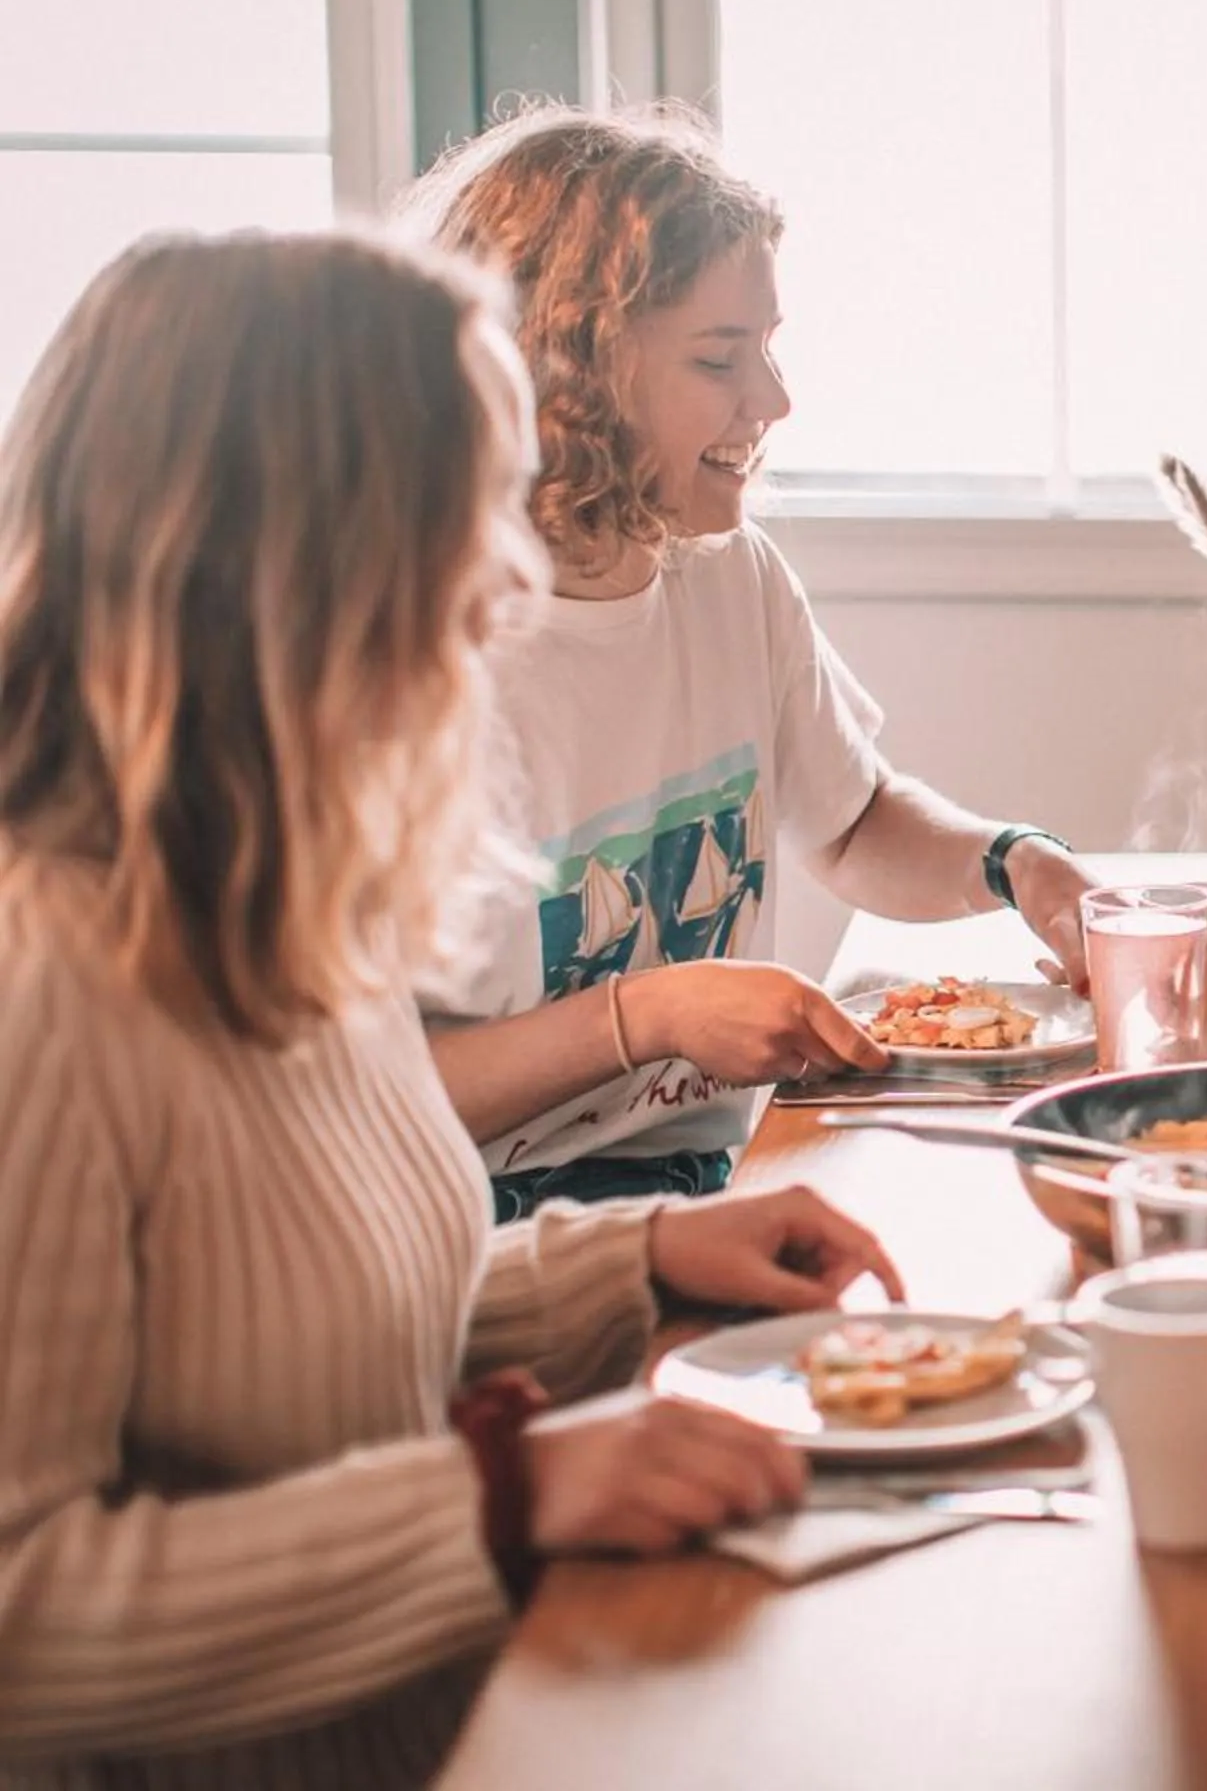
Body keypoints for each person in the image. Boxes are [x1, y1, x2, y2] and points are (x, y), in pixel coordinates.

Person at [0, 231, 901, 1786]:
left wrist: (643, 1254)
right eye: (464, 515)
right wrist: (501, 1499)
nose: (504, 578)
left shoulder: (284, 895)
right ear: (280, 559)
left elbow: (314, 1327)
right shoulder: (46, 991)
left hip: (466, 1718)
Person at [399, 103, 1097, 1218]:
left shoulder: (730, 574)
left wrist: (1016, 863)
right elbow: (368, 1099)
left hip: (706, 1175)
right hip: (478, 1222)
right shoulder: (411, 667)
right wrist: (646, 1016)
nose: (773, 402)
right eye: (721, 358)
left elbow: (855, 821)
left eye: (767, 348)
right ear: (563, 376)